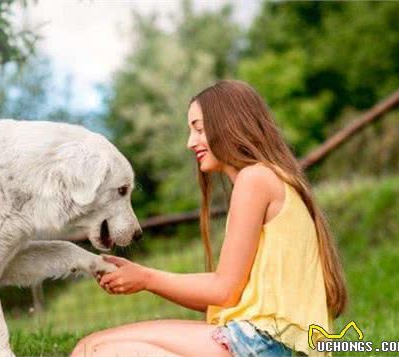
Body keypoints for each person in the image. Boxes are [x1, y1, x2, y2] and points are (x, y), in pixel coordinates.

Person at [70, 80, 347, 357]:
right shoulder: (272, 179)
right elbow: (229, 291)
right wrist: (140, 275)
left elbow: (223, 291)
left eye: (199, 129)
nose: (190, 143)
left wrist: (145, 278)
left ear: (229, 125)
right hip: (266, 343)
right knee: (89, 347)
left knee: (92, 351)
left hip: (261, 344)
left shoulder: (256, 179)